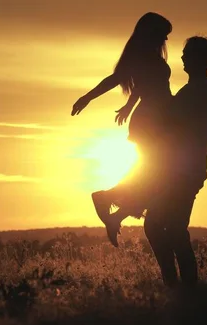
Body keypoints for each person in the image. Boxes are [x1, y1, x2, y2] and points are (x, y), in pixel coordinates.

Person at [71, 12, 174, 246]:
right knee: (156, 177)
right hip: (152, 122)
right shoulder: (141, 55)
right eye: (163, 35)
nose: (165, 41)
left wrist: (129, 105)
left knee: (154, 177)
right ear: (152, 32)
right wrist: (87, 97)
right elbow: (116, 78)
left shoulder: (148, 56)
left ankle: (116, 214)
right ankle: (106, 198)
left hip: (155, 120)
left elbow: (143, 85)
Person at [143, 36, 207, 287]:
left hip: (182, 174)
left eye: (186, 53)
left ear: (198, 59)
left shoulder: (194, 92)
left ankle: (179, 286)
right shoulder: (197, 89)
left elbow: (167, 123)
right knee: (170, 227)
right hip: (184, 173)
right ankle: (180, 286)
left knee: (161, 226)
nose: (182, 57)